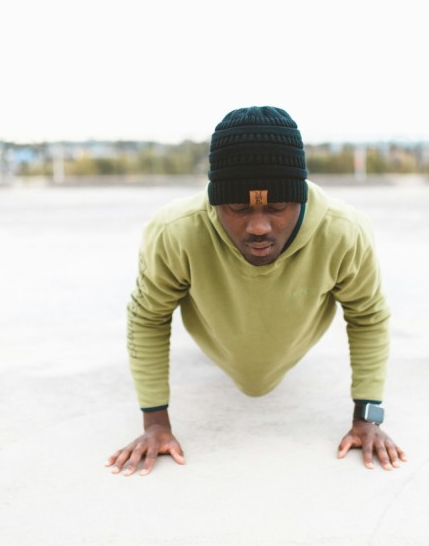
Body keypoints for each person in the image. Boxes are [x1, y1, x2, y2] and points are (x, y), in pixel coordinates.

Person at [105, 106, 405, 476]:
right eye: (238, 207)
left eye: (277, 206)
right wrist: (155, 425)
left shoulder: (344, 233)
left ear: (301, 199)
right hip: (216, 340)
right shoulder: (176, 232)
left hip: (293, 344)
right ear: (215, 202)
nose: (259, 226)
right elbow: (148, 317)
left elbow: (368, 317)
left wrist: (368, 417)